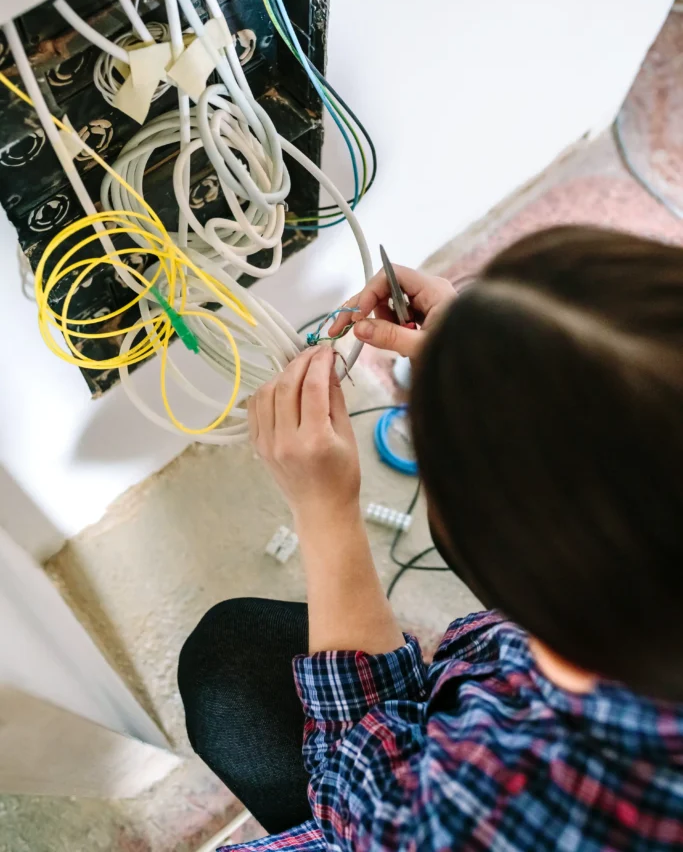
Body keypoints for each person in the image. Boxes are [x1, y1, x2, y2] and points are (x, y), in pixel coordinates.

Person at [177, 224, 683, 851]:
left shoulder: (526, 805)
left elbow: (367, 806)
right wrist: (484, 354)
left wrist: (325, 514)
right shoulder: (635, 601)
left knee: (232, 669)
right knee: (234, 656)